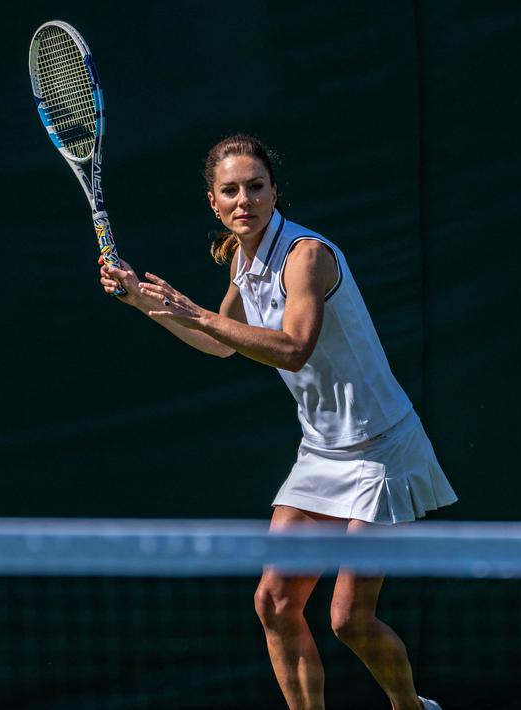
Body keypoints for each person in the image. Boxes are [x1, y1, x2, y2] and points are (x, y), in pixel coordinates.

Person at [99, 134, 455, 710]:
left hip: (380, 449)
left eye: (256, 186)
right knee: (274, 602)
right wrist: (145, 302)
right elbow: (220, 344)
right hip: (321, 452)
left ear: (274, 191)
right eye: (230, 191)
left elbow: (292, 348)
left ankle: (412, 708)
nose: (245, 200)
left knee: (349, 620)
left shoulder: (305, 256)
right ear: (214, 202)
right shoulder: (244, 260)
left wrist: (198, 313)